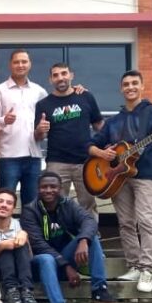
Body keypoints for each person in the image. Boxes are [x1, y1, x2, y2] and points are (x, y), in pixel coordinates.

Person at [88, 69, 152, 293]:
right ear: (121, 89)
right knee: (125, 222)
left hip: (146, 174)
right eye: (126, 84)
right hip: (118, 177)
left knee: (145, 220)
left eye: (135, 83)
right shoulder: (114, 121)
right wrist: (102, 154)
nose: (130, 87)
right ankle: (133, 264)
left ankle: (147, 269)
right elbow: (92, 144)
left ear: (142, 87)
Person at [21, 172, 116, 303]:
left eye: (53, 186)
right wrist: (66, 266)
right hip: (41, 266)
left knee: (91, 238)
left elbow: (89, 220)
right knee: (46, 258)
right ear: (38, 189)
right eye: (44, 187)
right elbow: (38, 244)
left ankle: (99, 289)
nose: (49, 190)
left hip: (64, 260)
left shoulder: (68, 204)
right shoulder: (30, 211)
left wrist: (83, 240)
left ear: (60, 189)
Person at [34, 63, 104, 218]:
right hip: (57, 163)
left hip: (85, 161)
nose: (60, 78)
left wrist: (108, 148)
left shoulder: (86, 96)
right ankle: (60, 240)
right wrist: (40, 130)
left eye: (64, 73)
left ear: (71, 75)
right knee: (54, 204)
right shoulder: (43, 104)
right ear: (50, 79)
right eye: (56, 75)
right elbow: (38, 137)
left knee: (88, 204)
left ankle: (90, 238)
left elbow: (99, 125)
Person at [0, 48, 48, 208]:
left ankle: (29, 234)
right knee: (4, 201)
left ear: (29, 64)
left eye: (24, 61)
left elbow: (49, 116)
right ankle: (3, 234)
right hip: (8, 156)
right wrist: (4, 120)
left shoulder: (39, 91)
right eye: (16, 62)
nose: (20, 65)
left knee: (32, 204)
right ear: (10, 65)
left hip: (34, 156)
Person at [0, 189, 36, 303]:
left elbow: (30, 256)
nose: (4, 205)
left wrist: (25, 236)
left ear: (13, 208)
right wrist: (1, 246)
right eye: (0, 201)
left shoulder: (18, 225)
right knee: (6, 248)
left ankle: (26, 291)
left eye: (9, 203)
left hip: (19, 268)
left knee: (19, 244)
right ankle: (11, 290)